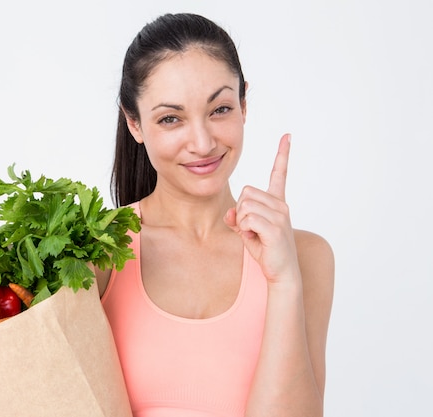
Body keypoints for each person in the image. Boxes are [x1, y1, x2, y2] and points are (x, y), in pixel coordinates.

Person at [95, 13, 335, 417]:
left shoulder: (306, 256)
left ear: (243, 105)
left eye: (220, 109)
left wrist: (282, 280)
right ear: (134, 123)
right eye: (170, 118)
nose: (203, 143)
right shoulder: (98, 246)